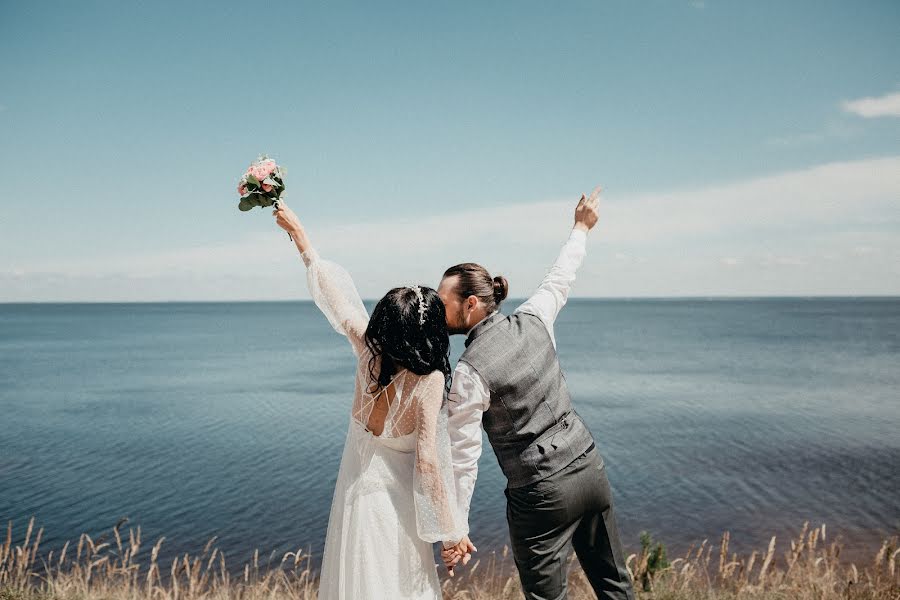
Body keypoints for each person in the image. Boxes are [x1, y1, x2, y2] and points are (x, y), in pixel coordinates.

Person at [437, 188, 636, 600]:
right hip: (589, 466)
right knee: (616, 584)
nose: (440, 312)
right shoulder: (534, 317)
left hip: (541, 493)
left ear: (470, 304)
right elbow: (560, 277)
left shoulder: (471, 371)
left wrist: (457, 527)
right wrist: (581, 227)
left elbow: (463, 456)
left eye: (444, 303)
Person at [274, 202, 469, 600]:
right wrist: (451, 535)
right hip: (395, 515)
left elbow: (339, 302)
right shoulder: (427, 381)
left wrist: (302, 240)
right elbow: (429, 464)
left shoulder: (369, 351)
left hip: (353, 503)